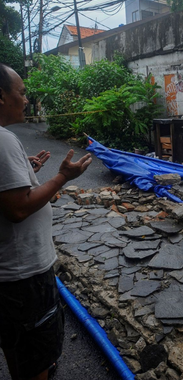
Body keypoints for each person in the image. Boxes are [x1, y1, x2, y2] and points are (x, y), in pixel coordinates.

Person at [0, 63, 92, 380]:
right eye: (21, 93)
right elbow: (18, 209)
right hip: (23, 277)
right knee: (37, 358)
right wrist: (64, 176)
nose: (26, 100)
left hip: (9, 277)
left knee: (18, 349)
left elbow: (9, 196)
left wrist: (24, 174)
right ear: (1, 97)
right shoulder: (3, 140)